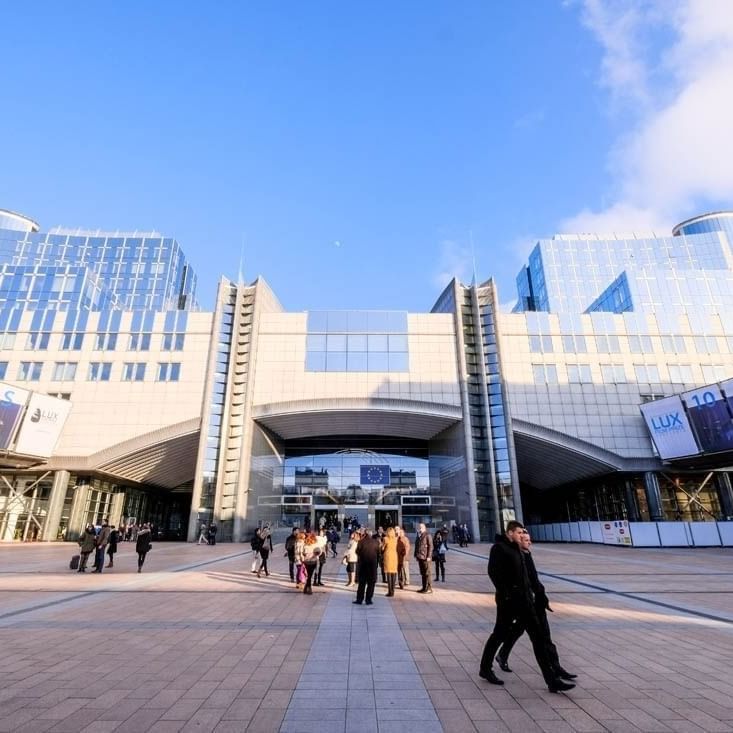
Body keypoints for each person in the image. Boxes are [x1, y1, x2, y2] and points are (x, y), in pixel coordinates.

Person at [478, 521, 574, 693]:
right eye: (519, 532)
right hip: (508, 603)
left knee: (538, 639)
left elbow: (528, 577)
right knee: (498, 635)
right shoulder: (499, 548)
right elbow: (494, 573)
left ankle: (552, 680)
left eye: (523, 532)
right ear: (509, 533)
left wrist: (538, 596)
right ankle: (485, 668)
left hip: (525, 603)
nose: (522, 535)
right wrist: (507, 595)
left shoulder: (518, 550)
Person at [353, 528, 379, 605]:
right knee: (371, 583)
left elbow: (357, 551)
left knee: (362, 583)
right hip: (372, 565)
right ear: (371, 534)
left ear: (365, 534)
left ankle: (359, 599)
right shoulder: (376, 542)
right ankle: (369, 599)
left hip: (363, 564)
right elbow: (379, 552)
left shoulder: (361, 542)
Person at [414, 523, 433, 594]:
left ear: (424, 528)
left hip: (426, 557)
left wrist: (429, 556)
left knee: (427, 573)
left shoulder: (427, 535)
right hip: (420, 557)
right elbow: (417, 546)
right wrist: (416, 555)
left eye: (421, 527)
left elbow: (431, 546)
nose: (420, 528)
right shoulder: (418, 535)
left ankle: (429, 588)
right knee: (423, 573)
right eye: (419, 527)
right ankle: (424, 587)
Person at [381, 527, 398, 597]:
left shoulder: (385, 539)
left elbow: (382, 548)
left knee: (389, 574)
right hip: (394, 556)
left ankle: (390, 591)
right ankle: (393, 591)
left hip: (388, 556)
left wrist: (381, 545)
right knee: (393, 573)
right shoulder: (395, 539)